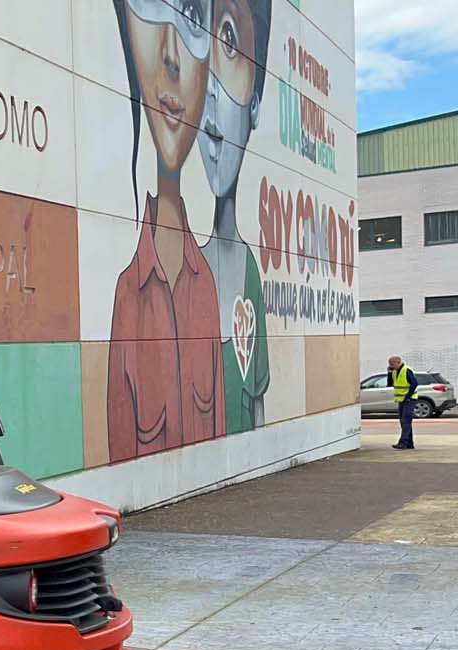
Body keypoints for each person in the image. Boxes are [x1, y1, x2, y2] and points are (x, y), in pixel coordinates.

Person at [107, 0, 224, 462]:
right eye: (153, 7)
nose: (172, 54)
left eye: (193, 16)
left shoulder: (206, 286)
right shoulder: (126, 295)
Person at [198, 0, 272, 435]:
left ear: (256, 103)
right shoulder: (177, 271)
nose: (208, 89)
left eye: (228, 40)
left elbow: (258, 402)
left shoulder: (249, 272)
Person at [388, 355, 417, 450]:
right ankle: (409, 443)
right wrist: (389, 373)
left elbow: (414, 383)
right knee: (404, 421)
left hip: (409, 399)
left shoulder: (406, 370)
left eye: (391, 364)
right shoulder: (394, 371)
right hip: (401, 400)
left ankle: (403, 442)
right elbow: (390, 384)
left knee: (405, 421)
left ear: (397, 362)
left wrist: (408, 397)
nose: (390, 365)